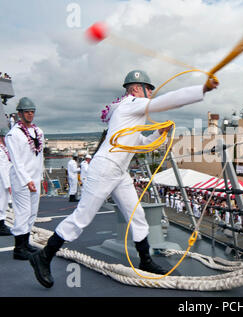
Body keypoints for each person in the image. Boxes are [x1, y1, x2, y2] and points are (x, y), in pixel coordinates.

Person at [29, 70, 219, 288]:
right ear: (137, 88)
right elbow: (167, 101)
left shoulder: (128, 114)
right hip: (105, 169)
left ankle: (145, 261)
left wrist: (161, 133)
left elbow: (141, 142)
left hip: (119, 171)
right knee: (82, 217)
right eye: (150, 90)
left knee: (137, 216)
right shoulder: (132, 104)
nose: (151, 95)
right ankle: (43, 257)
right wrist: (201, 90)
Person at [5, 97, 44, 260]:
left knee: (32, 212)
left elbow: (40, 157)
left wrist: (39, 177)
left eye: (32, 112)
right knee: (23, 212)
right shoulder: (13, 134)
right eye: (27, 112)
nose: (30, 114)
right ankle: (19, 248)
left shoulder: (39, 131)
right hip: (22, 180)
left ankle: (26, 242)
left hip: (35, 178)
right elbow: (17, 161)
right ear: (19, 113)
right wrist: (27, 180)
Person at [0, 128, 12, 236]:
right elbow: (2, 168)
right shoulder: (0, 150)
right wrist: (8, 185)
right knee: (1, 202)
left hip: (4, 180)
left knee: (3, 203)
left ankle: (1, 223)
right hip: (2, 181)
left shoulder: (4, 149)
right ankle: (0, 226)